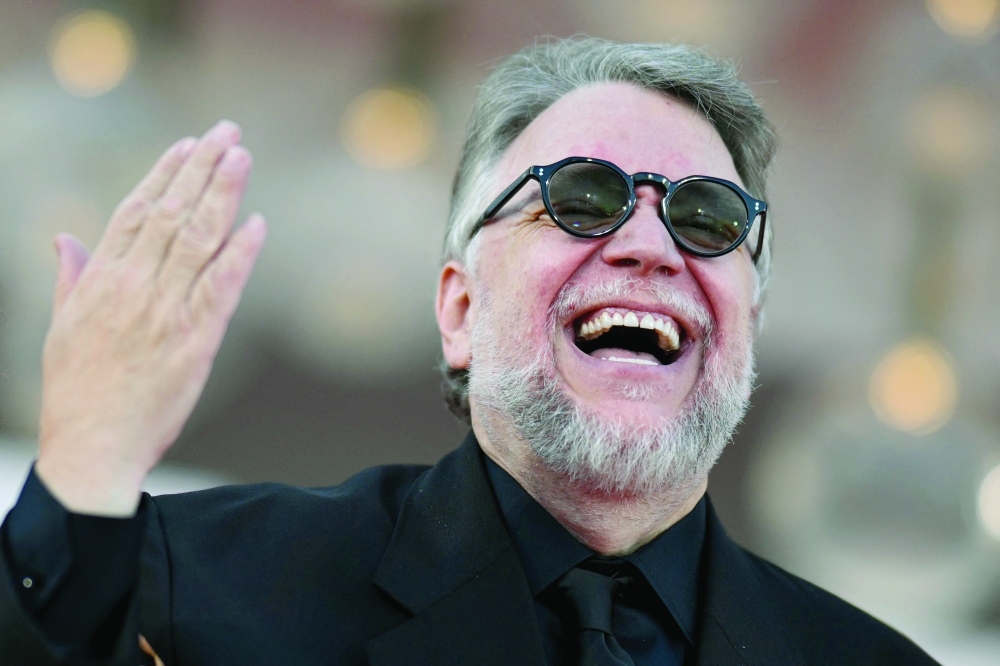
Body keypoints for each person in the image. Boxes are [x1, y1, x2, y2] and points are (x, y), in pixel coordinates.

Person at [0, 38, 937, 665]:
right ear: (459, 309)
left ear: (749, 328)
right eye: (581, 197)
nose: (651, 246)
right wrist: (86, 470)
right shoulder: (194, 583)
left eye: (707, 218)